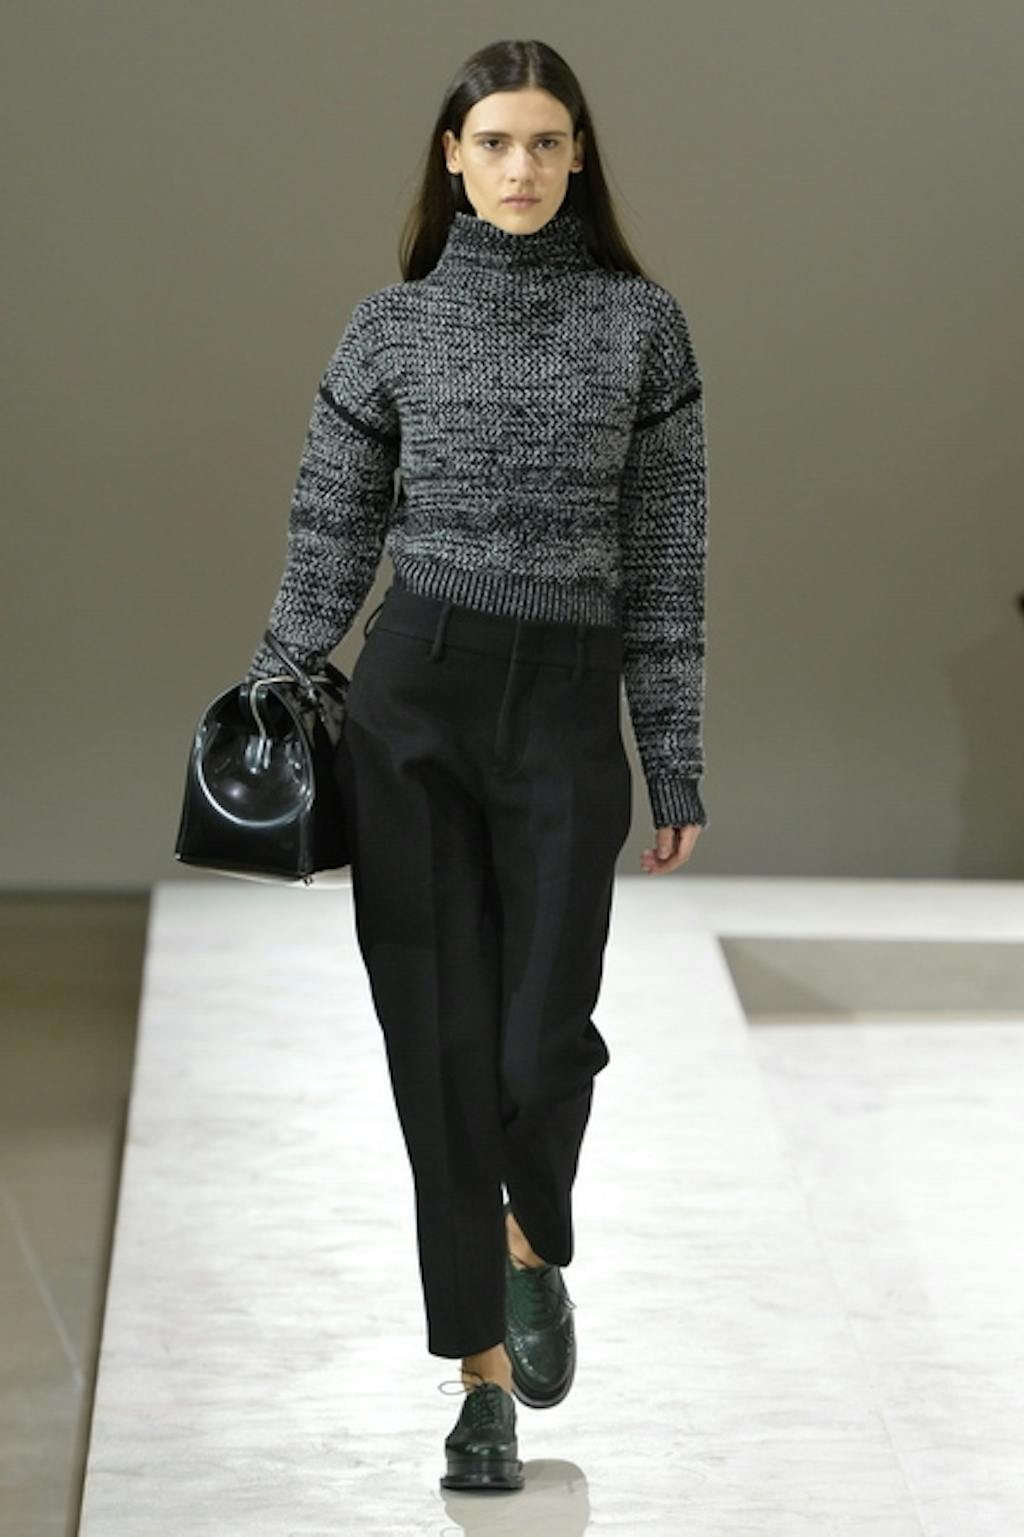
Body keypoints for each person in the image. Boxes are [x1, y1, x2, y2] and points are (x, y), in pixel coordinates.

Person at [245, 37, 710, 1494]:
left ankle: (527, 1240)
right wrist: (276, 676)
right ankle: (481, 1387)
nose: (521, 167)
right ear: (452, 157)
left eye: (546, 143)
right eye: (495, 142)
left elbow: (668, 563)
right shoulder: (390, 328)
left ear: (579, 160)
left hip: (568, 703)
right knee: (439, 1049)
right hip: (418, 701)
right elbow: (331, 521)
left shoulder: (642, 329)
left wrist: (672, 754)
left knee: (541, 1036)